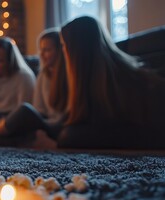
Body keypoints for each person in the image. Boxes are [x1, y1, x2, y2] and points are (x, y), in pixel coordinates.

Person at [58, 16, 165, 148]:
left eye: (63, 45)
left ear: (76, 50)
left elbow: (124, 129)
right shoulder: (98, 77)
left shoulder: (124, 79)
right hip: (129, 133)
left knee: (69, 137)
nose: (62, 51)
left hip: (148, 136)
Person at [0, 28, 68, 145]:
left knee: (24, 109)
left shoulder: (67, 75)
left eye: (47, 50)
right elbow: (38, 108)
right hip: (42, 121)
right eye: (41, 50)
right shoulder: (43, 75)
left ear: (60, 51)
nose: (41, 54)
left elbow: (65, 114)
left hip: (55, 124)